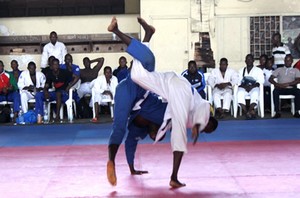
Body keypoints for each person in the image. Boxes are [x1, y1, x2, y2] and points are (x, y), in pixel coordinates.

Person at [107, 17, 218, 188]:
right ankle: (173, 177)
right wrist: (198, 125)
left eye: (205, 130)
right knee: (179, 135)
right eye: (207, 127)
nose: (204, 129)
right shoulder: (199, 109)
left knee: (138, 74)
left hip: (166, 86)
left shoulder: (165, 117)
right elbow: (205, 109)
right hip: (175, 91)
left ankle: (148, 34)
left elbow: (166, 121)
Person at [106, 16, 156, 187]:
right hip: (139, 81)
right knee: (146, 59)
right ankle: (122, 31)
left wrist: (132, 168)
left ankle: (110, 161)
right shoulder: (156, 111)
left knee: (120, 128)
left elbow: (130, 145)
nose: (154, 136)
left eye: (153, 135)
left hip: (130, 88)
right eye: (154, 133)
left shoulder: (137, 131)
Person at [35, 58, 73, 122]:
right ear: (51, 66)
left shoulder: (64, 72)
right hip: (55, 93)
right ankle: (40, 115)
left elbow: (76, 77)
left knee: (58, 93)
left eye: (57, 64)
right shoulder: (49, 74)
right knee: (39, 95)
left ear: (59, 65)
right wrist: (45, 91)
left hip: (64, 94)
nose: (55, 66)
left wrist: (69, 86)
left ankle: (57, 116)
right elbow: (46, 85)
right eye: (54, 65)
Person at [269, 54, 300, 118]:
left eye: (289, 61)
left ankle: (297, 111)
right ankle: (277, 112)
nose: (287, 62)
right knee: (275, 92)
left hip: (291, 88)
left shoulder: (296, 70)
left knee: (298, 92)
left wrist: (288, 84)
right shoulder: (279, 69)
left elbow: (298, 80)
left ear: (292, 61)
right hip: (280, 88)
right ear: (284, 61)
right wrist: (277, 84)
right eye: (286, 60)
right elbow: (270, 79)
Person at [237, 54, 264, 119]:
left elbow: (260, 81)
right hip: (244, 88)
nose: (249, 61)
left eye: (250, 59)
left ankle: (249, 111)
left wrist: (252, 86)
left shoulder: (258, 70)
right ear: (245, 61)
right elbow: (238, 82)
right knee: (239, 93)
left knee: (255, 93)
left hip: (254, 87)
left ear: (253, 60)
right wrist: (245, 87)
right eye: (247, 59)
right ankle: (247, 111)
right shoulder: (241, 71)